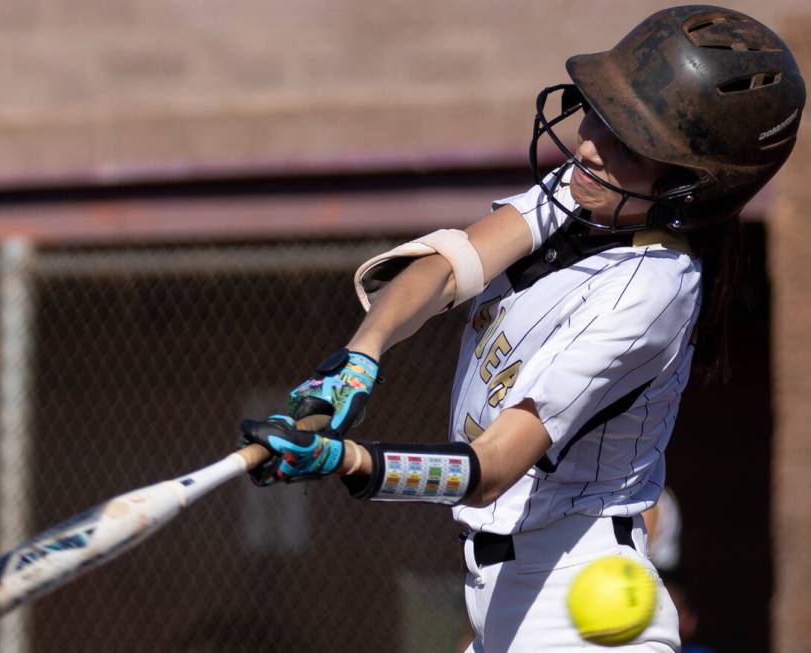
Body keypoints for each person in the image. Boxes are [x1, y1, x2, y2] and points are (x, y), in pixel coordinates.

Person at [239, 5, 805, 652]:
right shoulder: (588, 191)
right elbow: (449, 267)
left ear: (686, 188)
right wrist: (359, 356)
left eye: (628, 142)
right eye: (601, 113)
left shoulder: (649, 291)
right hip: (503, 593)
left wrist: (352, 460)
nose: (590, 144)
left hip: (583, 607)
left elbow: (492, 466)